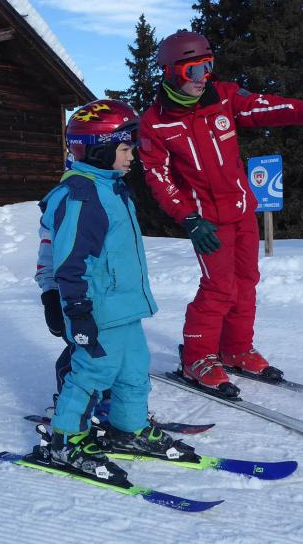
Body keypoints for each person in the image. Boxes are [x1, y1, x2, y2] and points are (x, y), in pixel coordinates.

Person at [139, 30, 303, 396]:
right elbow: (158, 177)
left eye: (207, 67)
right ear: (169, 72)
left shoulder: (225, 97)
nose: (202, 79)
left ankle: (235, 348)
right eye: (192, 72)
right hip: (206, 221)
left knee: (246, 283)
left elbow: (267, 107)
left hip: (242, 211)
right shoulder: (156, 123)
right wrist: (188, 217)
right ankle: (198, 356)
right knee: (218, 288)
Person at [37, 99, 194, 481]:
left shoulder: (112, 189)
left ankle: (128, 427)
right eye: (126, 149)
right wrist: (75, 308)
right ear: (101, 149)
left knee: (134, 368)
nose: (133, 156)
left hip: (123, 305)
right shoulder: (83, 196)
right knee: (92, 372)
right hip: (98, 306)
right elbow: (71, 261)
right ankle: (67, 440)